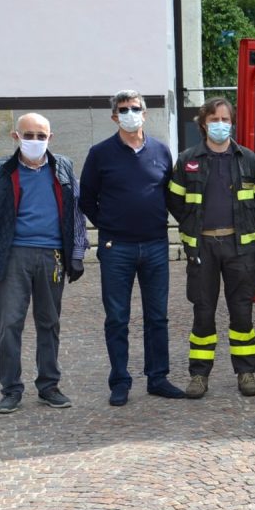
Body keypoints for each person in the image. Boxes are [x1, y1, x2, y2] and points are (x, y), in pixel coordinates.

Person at [0, 113, 89, 414]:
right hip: (13, 256)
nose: (35, 141)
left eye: (41, 135)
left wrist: (76, 254)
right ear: (15, 136)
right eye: (29, 135)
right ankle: (11, 389)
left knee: (49, 323)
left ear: (51, 138)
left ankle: (49, 385)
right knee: (9, 324)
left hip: (52, 256)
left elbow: (76, 214)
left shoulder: (63, 168)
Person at [79, 90, 184, 406]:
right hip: (117, 247)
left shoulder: (161, 151)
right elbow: (87, 199)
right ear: (114, 117)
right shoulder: (100, 154)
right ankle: (120, 381)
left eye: (135, 108)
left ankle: (158, 377)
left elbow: (170, 194)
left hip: (155, 245)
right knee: (117, 317)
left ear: (145, 113)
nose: (129, 113)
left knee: (157, 316)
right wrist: (110, 225)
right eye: (123, 110)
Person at [166, 98, 255, 399]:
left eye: (225, 119)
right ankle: (199, 375)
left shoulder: (247, 158)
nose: (221, 124)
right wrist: (192, 227)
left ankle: (246, 372)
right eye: (214, 119)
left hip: (239, 247)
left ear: (232, 122)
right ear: (203, 124)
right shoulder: (187, 160)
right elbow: (175, 200)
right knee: (203, 313)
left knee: (242, 314)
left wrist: (245, 226)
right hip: (203, 247)